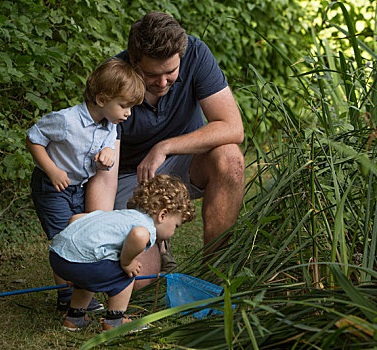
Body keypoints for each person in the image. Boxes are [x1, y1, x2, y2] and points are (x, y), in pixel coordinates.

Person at [85, 11, 245, 288]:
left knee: (230, 159)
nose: (162, 83)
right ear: (133, 62)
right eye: (151, 75)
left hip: (183, 163)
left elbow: (233, 127)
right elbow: (104, 174)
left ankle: (215, 274)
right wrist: (94, 230)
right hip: (130, 179)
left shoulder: (195, 53)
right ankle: (157, 241)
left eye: (171, 72)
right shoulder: (111, 80)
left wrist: (165, 147)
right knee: (137, 280)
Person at [26, 58, 146, 311]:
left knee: (81, 231)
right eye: (124, 106)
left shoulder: (110, 125)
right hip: (51, 186)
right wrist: (52, 169)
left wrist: (108, 154)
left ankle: (79, 291)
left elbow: (107, 145)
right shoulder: (66, 121)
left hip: (78, 187)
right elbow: (33, 138)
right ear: (102, 99)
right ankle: (67, 297)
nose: (128, 113)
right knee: (62, 237)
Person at [49, 175, 195, 331]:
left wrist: (71, 261)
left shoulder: (123, 215)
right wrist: (127, 263)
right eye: (176, 226)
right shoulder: (147, 227)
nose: (173, 232)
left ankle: (75, 318)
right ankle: (114, 321)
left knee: (91, 268)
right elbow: (139, 235)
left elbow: (75, 219)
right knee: (127, 273)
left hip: (59, 256)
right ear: (163, 215)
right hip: (78, 263)